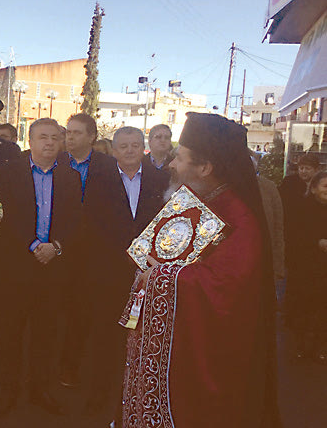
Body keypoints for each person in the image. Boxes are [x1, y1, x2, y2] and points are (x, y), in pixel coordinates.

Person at [122, 113, 280, 427]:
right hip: (177, 337)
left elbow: (224, 286)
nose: (171, 165)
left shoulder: (240, 218)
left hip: (204, 353)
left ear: (205, 168)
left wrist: (161, 276)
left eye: (179, 158)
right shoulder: (198, 197)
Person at [0, 118, 83, 418]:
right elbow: (6, 217)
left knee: (47, 333)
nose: (49, 143)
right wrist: (32, 245)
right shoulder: (9, 172)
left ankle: (40, 390)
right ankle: (8, 391)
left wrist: (56, 246)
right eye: (43, 137)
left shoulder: (69, 177)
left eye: (55, 138)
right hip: (18, 265)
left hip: (53, 267)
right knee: (11, 332)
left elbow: (75, 220)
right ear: (30, 140)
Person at [81, 126, 168, 424]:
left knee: (144, 338)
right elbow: (91, 223)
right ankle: (99, 398)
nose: (130, 150)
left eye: (135, 145)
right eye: (124, 146)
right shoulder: (98, 179)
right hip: (108, 273)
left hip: (148, 273)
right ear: (114, 150)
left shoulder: (161, 179)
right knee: (104, 337)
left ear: (143, 148)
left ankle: (141, 395)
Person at [57, 113, 120, 389]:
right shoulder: (57, 163)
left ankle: (81, 369)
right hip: (59, 249)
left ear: (92, 137)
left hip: (94, 253)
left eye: (77, 133)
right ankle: (56, 365)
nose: (70, 137)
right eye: (68, 132)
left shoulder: (109, 166)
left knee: (86, 312)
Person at [285, 169, 327, 361]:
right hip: (305, 268)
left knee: (323, 310)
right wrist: (316, 243)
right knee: (303, 308)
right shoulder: (302, 207)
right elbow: (293, 236)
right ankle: (301, 345)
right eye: (325, 186)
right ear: (315, 187)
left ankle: (320, 347)